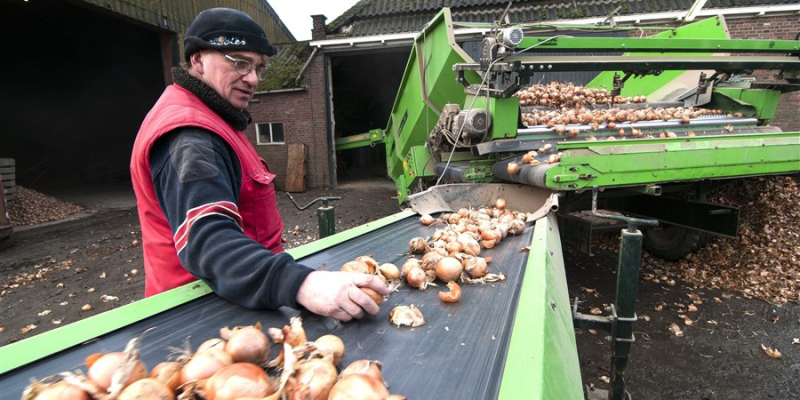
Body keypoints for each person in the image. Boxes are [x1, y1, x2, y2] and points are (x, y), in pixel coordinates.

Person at [130, 7, 388, 321]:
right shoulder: (190, 136)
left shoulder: (217, 117)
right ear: (197, 60)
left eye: (258, 67)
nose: (252, 78)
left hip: (245, 293)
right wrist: (299, 283)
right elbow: (210, 241)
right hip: (204, 315)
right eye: (239, 62)